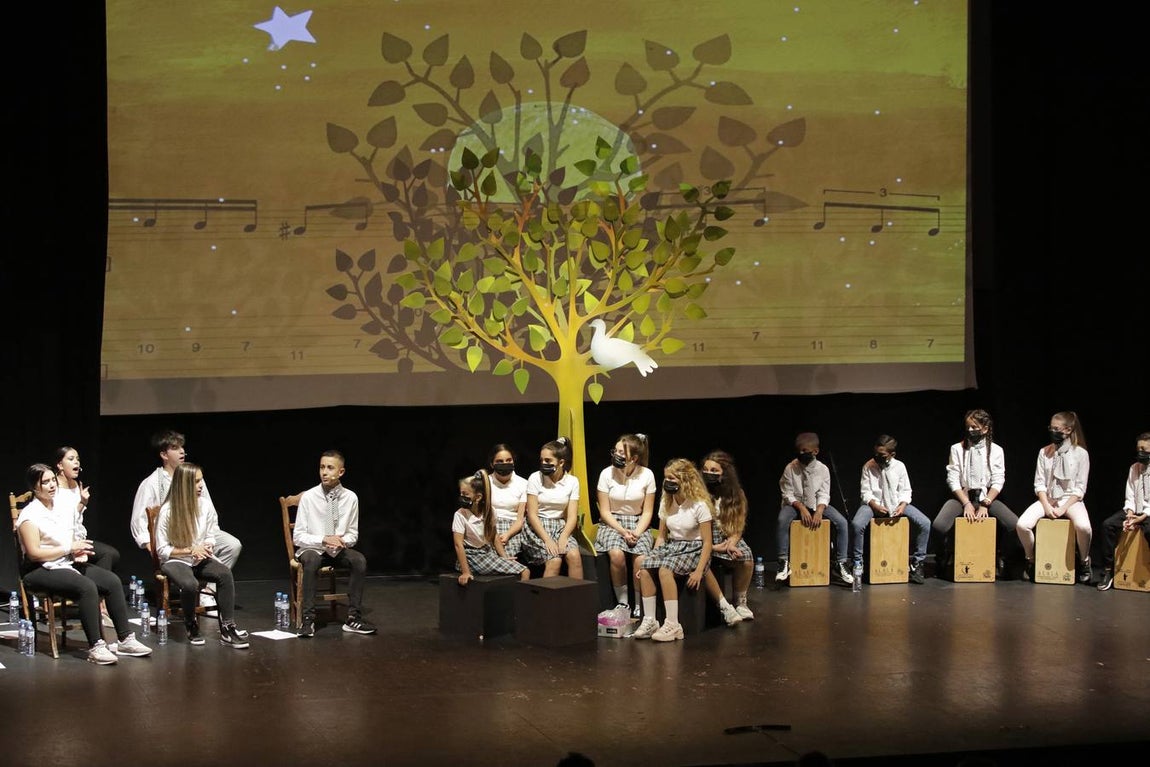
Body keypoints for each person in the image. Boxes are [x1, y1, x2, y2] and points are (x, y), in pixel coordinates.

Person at [16, 463, 152, 664]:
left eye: (53, 480)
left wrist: (77, 550)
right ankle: (96, 646)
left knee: (112, 581)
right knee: (86, 587)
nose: (52, 485)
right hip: (38, 569)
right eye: (45, 482)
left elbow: (70, 534)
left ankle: (125, 639)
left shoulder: (60, 507)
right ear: (35, 488)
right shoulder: (29, 515)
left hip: (65, 562)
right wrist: (68, 549)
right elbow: (35, 553)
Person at [130, 429, 242, 606]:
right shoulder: (151, 483)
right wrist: (152, 546)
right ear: (164, 454)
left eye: (182, 447)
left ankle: (208, 590)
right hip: (175, 538)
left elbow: (210, 512)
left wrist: (208, 542)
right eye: (175, 448)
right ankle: (192, 589)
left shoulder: (195, 477)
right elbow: (139, 521)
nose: (182, 451)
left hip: (199, 534)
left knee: (232, 544)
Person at [154, 463, 249, 648]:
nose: (200, 485)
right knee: (190, 584)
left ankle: (228, 628)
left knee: (224, 574)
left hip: (199, 558)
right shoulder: (168, 511)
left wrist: (206, 546)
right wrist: (190, 550)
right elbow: (162, 550)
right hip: (175, 560)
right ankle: (191, 624)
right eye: (196, 481)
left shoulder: (204, 506)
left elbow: (211, 534)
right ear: (184, 484)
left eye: (201, 480)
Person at [293, 450, 376, 637]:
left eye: (330, 468)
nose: (324, 472)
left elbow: (353, 535)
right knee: (312, 560)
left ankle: (353, 618)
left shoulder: (351, 498)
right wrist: (323, 539)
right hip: (312, 548)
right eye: (322, 467)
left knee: (359, 560)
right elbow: (298, 537)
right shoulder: (309, 497)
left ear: (341, 472)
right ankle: (308, 620)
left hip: (337, 551)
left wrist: (341, 541)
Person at [632, 458, 714, 642]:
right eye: (666, 478)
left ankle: (673, 624)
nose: (668, 482)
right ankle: (650, 620)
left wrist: (699, 571)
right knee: (644, 568)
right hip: (673, 546)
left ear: (685, 480)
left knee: (665, 569)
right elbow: (661, 536)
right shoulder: (666, 502)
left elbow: (708, 542)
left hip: (694, 548)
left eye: (673, 478)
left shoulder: (699, 504)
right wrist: (651, 557)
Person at [931, 410, 1019, 578]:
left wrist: (985, 503)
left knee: (1014, 524)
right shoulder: (957, 449)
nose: (970, 430)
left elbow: (998, 480)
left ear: (985, 429)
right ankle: (943, 557)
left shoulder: (996, 450)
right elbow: (953, 479)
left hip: (987, 498)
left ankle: (1001, 557)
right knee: (939, 525)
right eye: (968, 427)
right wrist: (966, 503)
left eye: (975, 427)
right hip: (963, 497)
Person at [1015, 411, 1093, 583]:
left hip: (1070, 499)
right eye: (1051, 428)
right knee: (1022, 524)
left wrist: (1063, 508)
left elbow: (1080, 488)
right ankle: (1031, 559)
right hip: (1048, 498)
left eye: (1057, 429)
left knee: (1084, 527)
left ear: (1068, 430)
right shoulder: (1045, 452)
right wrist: (1047, 505)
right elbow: (1039, 484)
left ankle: (1084, 560)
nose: (1053, 431)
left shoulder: (1081, 454)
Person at [849, 435, 931, 584]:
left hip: (896, 504)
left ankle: (917, 563)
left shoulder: (899, 466)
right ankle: (857, 564)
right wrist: (874, 505)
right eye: (876, 454)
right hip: (873, 505)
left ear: (892, 455)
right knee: (857, 524)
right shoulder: (868, 466)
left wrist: (902, 505)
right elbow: (865, 492)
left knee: (925, 523)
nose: (877, 457)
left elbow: (906, 490)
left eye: (882, 455)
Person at [776, 433, 853, 586]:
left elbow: (824, 493)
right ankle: (783, 562)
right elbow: (787, 494)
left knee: (842, 523)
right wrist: (802, 508)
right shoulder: (790, 468)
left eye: (805, 451)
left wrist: (819, 511)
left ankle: (841, 563)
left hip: (816, 504)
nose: (801, 454)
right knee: (782, 520)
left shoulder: (823, 469)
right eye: (799, 451)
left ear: (815, 451)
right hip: (795, 504)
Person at [593, 433, 656, 611]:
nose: (617, 455)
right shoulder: (606, 473)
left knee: (641, 558)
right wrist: (622, 531)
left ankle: (638, 603)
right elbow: (604, 511)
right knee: (617, 555)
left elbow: (648, 511)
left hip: (638, 522)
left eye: (622, 452)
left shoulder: (647, 475)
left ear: (634, 458)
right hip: (612, 522)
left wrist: (636, 532)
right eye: (616, 451)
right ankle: (623, 601)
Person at [700, 450, 755, 625]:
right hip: (704, 539)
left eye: (714, 471)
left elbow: (739, 526)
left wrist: (731, 543)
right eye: (706, 469)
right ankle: (724, 606)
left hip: (726, 537)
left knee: (746, 558)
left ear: (725, 473)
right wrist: (714, 547)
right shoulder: (698, 494)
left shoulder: (736, 494)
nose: (709, 473)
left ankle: (741, 601)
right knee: (703, 561)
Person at [522, 437, 584, 579]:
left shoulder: (572, 482)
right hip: (538, 527)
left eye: (548, 461)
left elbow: (572, 516)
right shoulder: (535, 478)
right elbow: (532, 514)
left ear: (561, 462)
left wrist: (563, 536)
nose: (544, 463)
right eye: (542, 460)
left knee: (575, 556)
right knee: (554, 559)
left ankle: (578, 599)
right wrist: (548, 540)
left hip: (560, 525)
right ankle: (547, 601)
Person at [453, 469, 529, 583]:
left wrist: (504, 556)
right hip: (471, 557)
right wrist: (466, 572)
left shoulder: (490, 512)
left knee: (523, 570)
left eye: (466, 494)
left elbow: (494, 536)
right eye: (461, 494)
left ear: (478, 497)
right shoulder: (460, 514)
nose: (462, 497)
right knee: (524, 571)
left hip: (486, 552)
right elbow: (458, 544)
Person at [55, 446, 120, 572]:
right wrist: (81, 504)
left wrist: (83, 503)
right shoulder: (53, 487)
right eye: (71, 459)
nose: (76, 462)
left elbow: (76, 519)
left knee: (111, 554)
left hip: (77, 537)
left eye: (78, 459)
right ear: (60, 465)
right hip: (61, 541)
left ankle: (101, 585)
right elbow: (61, 520)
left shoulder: (75, 484)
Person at [1097, 432, 1149, 590]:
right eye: (1138, 448)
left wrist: (1143, 517)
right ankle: (1107, 570)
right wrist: (1130, 513)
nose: (1140, 452)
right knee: (1108, 525)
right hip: (1135, 510)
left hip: (1148, 512)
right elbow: (1130, 494)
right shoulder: (1134, 468)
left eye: (1145, 449)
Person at [488, 443, 528, 561]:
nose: (504, 464)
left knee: (508, 559)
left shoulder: (523, 484)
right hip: (489, 526)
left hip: (512, 528)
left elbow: (520, 519)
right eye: (499, 461)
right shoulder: (485, 482)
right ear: (492, 464)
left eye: (508, 460)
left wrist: (507, 535)